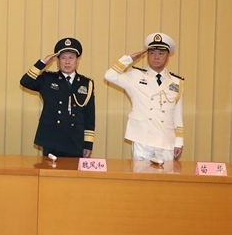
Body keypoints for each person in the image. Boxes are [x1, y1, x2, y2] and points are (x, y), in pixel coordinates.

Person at [104, 32, 183, 162]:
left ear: (168, 56)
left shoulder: (176, 82)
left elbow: (177, 114)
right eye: (152, 53)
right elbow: (109, 76)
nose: (156, 57)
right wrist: (129, 59)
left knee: (166, 175)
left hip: (166, 140)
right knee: (141, 174)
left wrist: (179, 142)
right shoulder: (135, 76)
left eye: (161, 53)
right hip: (142, 139)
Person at [20, 37, 95, 158]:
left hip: (75, 140)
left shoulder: (86, 83)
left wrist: (88, 143)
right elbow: (25, 81)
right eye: (63, 58)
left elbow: (89, 116)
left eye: (71, 58)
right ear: (57, 61)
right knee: (49, 169)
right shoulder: (48, 79)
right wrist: (42, 63)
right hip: (52, 139)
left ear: (77, 61)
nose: (67, 62)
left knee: (73, 170)